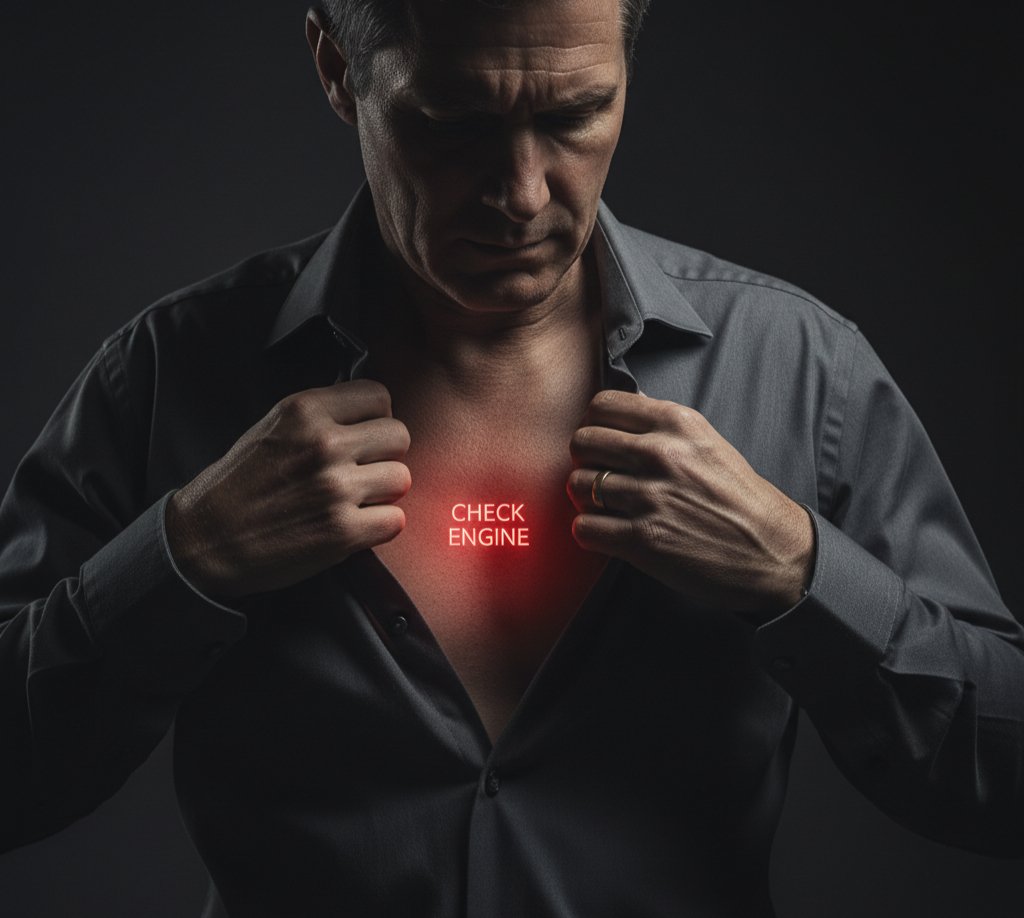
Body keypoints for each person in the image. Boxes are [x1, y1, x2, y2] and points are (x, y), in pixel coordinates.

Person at [1, 0, 1022, 915]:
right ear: (335, 66)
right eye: (455, 124)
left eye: (576, 115)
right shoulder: (168, 376)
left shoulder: (803, 373)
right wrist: (177, 563)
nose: (524, 194)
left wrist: (802, 574)